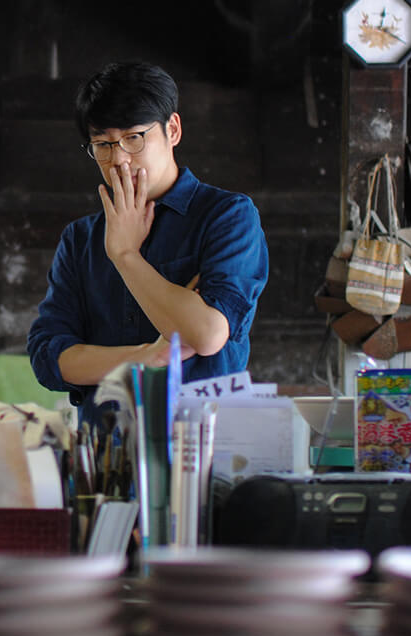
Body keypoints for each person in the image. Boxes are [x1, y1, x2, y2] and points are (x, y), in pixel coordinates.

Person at [27, 62, 269, 411]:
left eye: (134, 138)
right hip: (105, 448)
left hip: (200, 442)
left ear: (172, 129)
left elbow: (208, 334)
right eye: (103, 145)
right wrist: (147, 356)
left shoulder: (227, 215)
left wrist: (126, 256)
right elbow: (48, 357)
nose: (119, 160)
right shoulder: (80, 238)